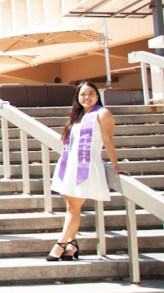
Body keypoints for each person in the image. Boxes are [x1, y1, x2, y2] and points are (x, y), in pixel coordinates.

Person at [47, 82, 125, 261]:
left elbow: (108, 140)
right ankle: (72, 245)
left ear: (97, 96)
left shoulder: (102, 114)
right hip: (69, 165)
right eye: (82, 94)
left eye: (91, 93)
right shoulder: (78, 115)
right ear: (77, 97)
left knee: (74, 207)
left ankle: (60, 244)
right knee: (70, 206)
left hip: (86, 166)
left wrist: (115, 165)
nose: (86, 97)